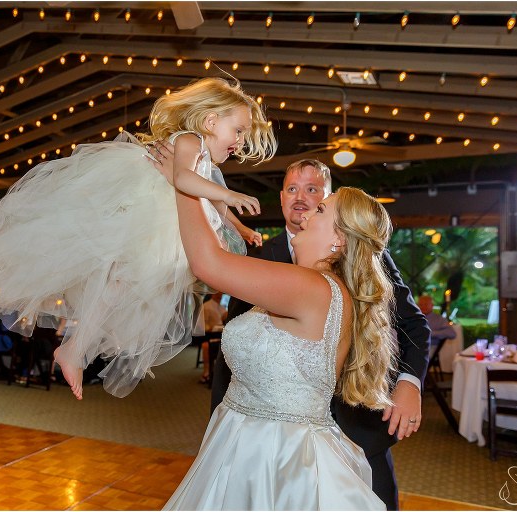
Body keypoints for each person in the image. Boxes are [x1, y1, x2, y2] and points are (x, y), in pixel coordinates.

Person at [148, 151, 430, 509]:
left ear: (340, 239)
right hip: (247, 438)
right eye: (295, 191)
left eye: (321, 207)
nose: (306, 211)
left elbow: (208, 264)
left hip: (278, 456)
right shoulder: (320, 283)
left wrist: (183, 181)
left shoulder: (312, 288)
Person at [0, 77, 276, 400]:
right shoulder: (190, 142)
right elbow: (183, 179)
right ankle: (74, 348)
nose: (240, 141)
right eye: (238, 130)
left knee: (124, 288)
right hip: (149, 216)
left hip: (170, 230)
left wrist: (241, 228)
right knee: (119, 284)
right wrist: (228, 193)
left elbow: (215, 207)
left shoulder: (208, 164)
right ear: (211, 121)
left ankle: (75, 347)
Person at [198, 292, 227, 384]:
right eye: (218, 293)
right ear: (213, 293)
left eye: (221, 294)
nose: (220, 295)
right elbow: (201, 324)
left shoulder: (223, 308)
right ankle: (207, 371)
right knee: (206, 345)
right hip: (209, 336)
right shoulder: (206, 306)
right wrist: (210, 328)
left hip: (222, 335)